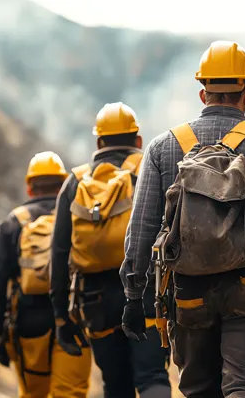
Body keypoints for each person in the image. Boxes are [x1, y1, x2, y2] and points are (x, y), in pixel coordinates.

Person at [120, 40, 245, 398]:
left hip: (188, 293)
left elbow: (142, 228)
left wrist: (133, 295)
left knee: (199, 391)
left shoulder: (163, 147)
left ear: (202, 92)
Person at [50, 102, 172, 398]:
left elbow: (59, 252)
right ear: (138, 141)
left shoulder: (75, 182)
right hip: (145, 292)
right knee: (152, 374)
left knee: (115, 386)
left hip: (95, 300)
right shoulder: (149, 168)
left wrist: (61, 315)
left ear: (99, 141)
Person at [0, 151, 92, 398]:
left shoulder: (12, 224)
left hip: (29, 321)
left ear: (30, 188)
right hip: (76, 316)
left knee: (34, 394)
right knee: (70, 393)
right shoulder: (78, 215)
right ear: (64, 184)